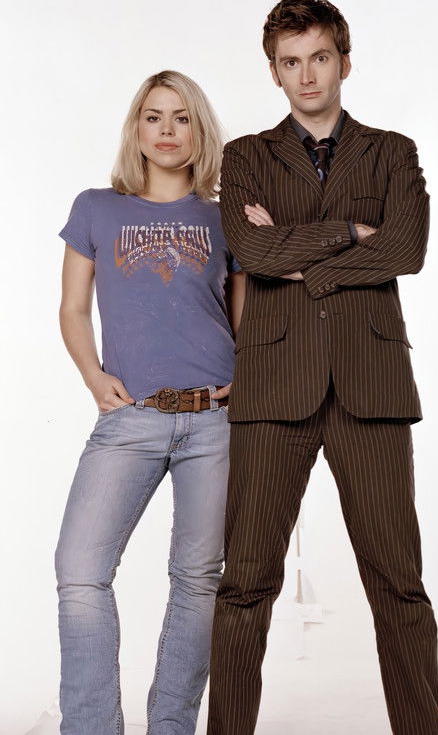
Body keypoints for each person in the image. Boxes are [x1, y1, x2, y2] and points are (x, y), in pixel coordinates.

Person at [207, 0, 438, 735]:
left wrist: (303, 262)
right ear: (274, 72)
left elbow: (406, 249)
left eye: (319, 57)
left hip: (370, 388)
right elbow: (252, 251)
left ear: (344, 62)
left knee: (398, 584)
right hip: (272, 389)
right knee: (245, 585)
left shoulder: (393, 151)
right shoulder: (245, 157)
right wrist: (349, 232)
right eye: (291, 62)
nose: (307, 75)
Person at [55, 69, 245, 735]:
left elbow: (244, 321)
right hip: (129, 418)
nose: (167, 130)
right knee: (80, 572)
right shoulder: (96, 208)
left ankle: (171, 727)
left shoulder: (222, 218)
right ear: (136, 128)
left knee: (197, 580)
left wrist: (246, 377)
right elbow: (73, 308)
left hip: (214, 423)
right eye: (154, 116)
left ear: (200, 131)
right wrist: (92, 375)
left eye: (182, 117)